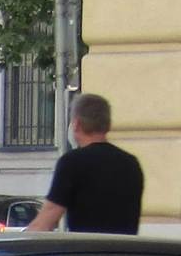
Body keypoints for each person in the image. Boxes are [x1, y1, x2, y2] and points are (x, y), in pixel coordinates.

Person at [30, 93, 145, 235]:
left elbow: (47, 221)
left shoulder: (73, 162)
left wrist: (16, 245)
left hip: (87, 253)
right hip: (123, 254)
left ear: (76, 124)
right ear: (108, 124)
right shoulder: (131, 164)